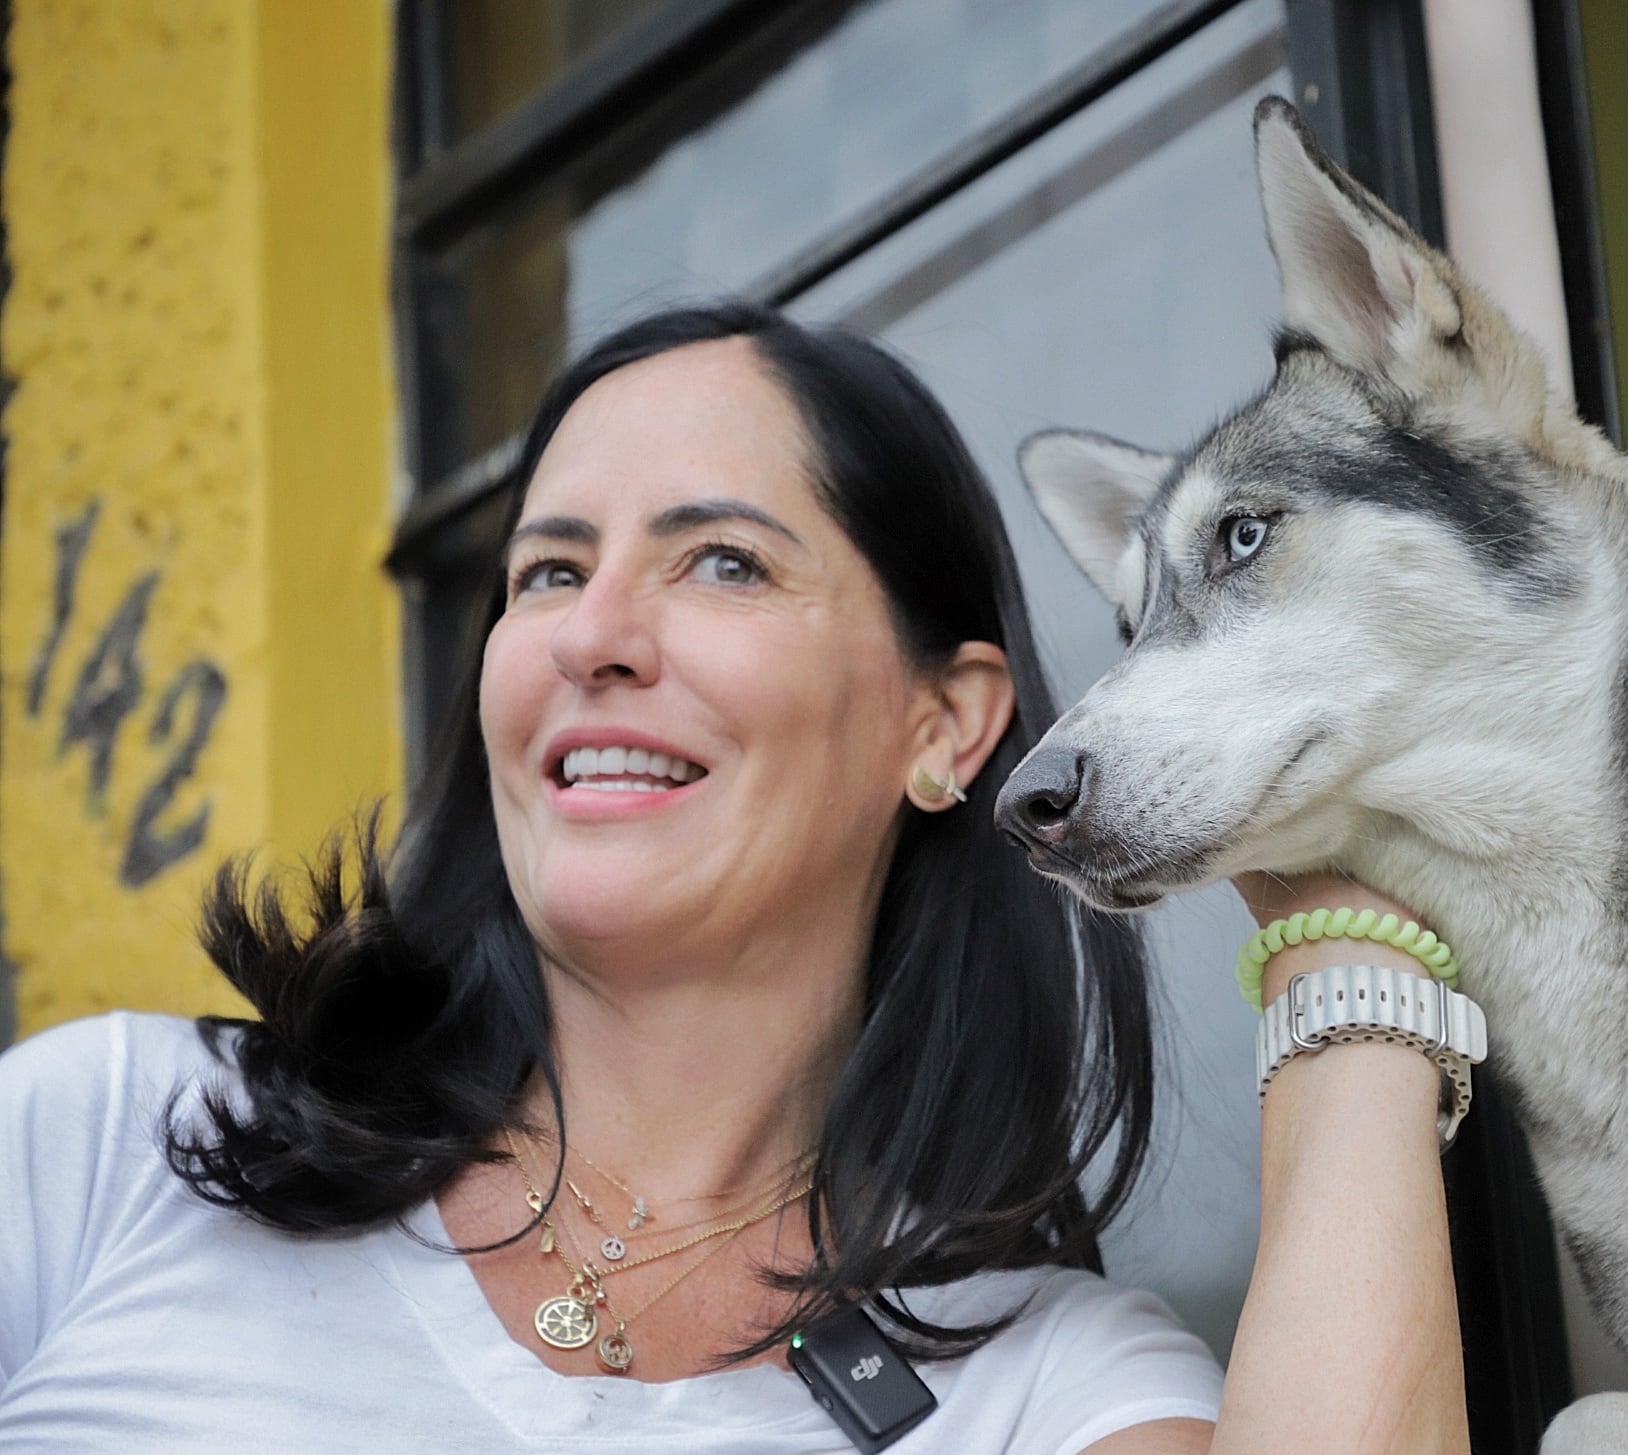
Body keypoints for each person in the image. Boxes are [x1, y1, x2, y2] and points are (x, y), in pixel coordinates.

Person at [0, 303, 1471, 1453]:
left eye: (721, 565)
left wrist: (1346, 959)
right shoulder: (108, 1144)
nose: (594, 636)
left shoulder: (1041, 1390)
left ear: (946, 723)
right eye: (550, 573)